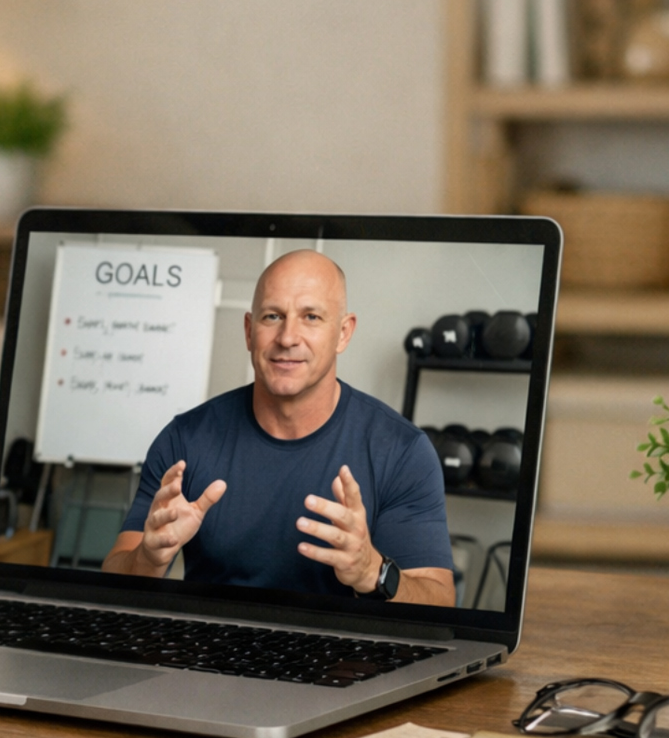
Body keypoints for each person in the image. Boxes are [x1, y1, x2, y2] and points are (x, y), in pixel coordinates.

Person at [103, 250, 455, 606]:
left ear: (343, 333)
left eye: (311, 317)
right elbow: (113, 584)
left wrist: (371, 571)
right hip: (209, 653)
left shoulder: (401, 451)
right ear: (248, 331)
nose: (288, 337)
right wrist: (147, 559)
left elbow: (439, 602)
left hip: (345, 658)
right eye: (273, 316)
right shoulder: (184, 440)